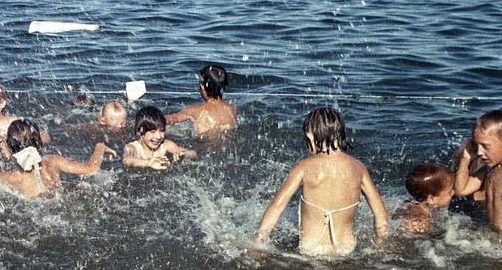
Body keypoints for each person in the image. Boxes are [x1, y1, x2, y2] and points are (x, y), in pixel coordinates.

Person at [254, 107, 390, 257]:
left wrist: (259, 241)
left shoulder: (304, 167)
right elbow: (380, 214)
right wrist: (381, 244)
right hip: (346, 250)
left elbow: (277, 206)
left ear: (312, 138)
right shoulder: (358, 168)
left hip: (311, 250)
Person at [0, 119, 114, 198]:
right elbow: (91, 169)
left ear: (9, 148)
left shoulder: (9, 178)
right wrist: (100, 147)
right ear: (40, 144)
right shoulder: (52, 161)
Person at [165, 64, 238, 134]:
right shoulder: (232, 108)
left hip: (203, 145)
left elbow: (165, 120)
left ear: (202, 87)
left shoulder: (194, 111)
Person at [123, 105, 197, 170]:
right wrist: (148, 163)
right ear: (141, 131)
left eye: (162, 131)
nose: (158, 136)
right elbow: (126, 160)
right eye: (153, 131)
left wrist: (183, 154)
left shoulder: (165, 145)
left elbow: (194, 154)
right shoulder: (132, 148)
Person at [395, 163, 454, 234]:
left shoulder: (410, 205)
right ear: (432, 198)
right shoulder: (421, 222)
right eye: (449, 191)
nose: (453, 192)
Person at [471, 109, 502, 232]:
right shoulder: (492, 168)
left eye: (485, 146)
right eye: (476, 145)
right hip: (492, 235)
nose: (479, 152)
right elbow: (461, 190)